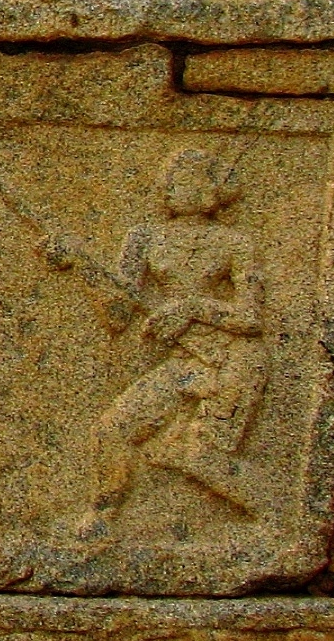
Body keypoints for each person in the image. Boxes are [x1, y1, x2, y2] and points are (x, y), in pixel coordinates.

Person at [72, 149, 268, 539]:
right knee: (111, 431)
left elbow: (251, 318)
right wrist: (82, 266)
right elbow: (119, 315)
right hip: (183, 363)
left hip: (233, 359)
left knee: (199, 453)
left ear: (210, 190)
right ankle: (102, 516)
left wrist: (193, 309)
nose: (168, 187)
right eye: (169, 179)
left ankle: (270, 515)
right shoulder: (144, 238)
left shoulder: (234, 244)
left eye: (182, 178)